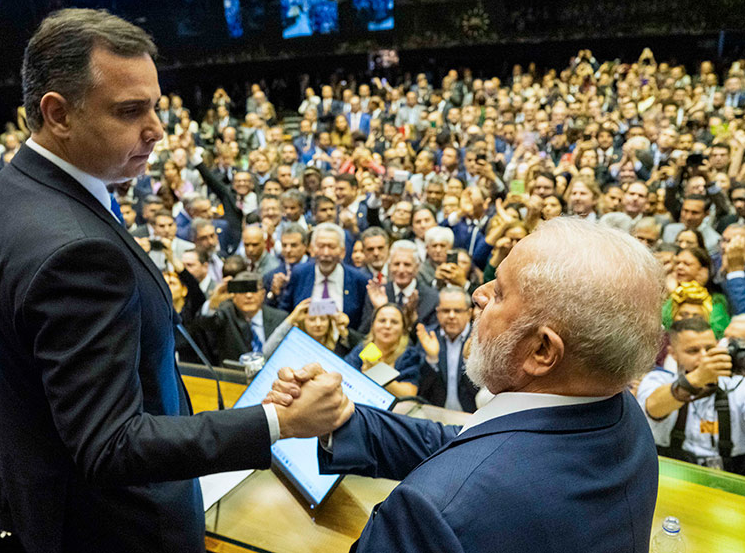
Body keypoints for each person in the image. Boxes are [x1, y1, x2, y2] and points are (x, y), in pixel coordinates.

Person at [0, 9, 352, 553]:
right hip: (117, 531)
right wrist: (277, 422)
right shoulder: (78, 250)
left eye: (156, 108)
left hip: (45, 509)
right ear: (58, 114)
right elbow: (111, 443)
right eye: (129, 111)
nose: (157, 130)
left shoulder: (1, 198)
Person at [267, 217, 664, 552]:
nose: (478, 293)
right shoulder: (620, 416)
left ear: (542, 350)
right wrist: (342, 420)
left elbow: (474, 471)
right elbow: (470, 444)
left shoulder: (430, 513)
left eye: (500, 292)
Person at [637, 317, 745, 474]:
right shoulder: (658, 380)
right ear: (673, 353)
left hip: (730, 479)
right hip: (675, 479)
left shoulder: (737, 386)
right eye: (693, 351)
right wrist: (698, 378)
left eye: (709, 348)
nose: (703, 357)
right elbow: (653, 407)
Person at [278, 222, 369, 330]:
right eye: (321, 246)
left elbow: (363, 326)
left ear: (343, 251)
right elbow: (284, 312)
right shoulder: (300, 273)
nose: (326, 253)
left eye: (331, 247)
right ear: (311, 249)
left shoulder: (359, 280)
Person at [410, 286, 479, 411]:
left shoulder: (479, 339)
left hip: (471, 416)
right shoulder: (428, 337)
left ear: (469, 313)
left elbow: (483, 391)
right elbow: (421, 388)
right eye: (446, 311)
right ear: (437, 312)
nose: (451, 316)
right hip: (436, 415)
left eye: (457, 311)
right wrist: (432, 359)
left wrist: (467, 362)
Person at [361, 239, 439, 333]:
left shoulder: (431, 298)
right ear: (389, 266)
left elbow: (431, 339)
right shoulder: (378, 294)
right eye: (396, 264)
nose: (401, 270)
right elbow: (364, 334)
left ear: (417, 267)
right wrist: (380, 309)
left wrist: (413, 322)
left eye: (407, 265)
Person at [344, 303, 419, 397]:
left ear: (403, 328)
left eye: (394, 322)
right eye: (382, 321)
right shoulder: (363, 348)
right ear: (373, 325)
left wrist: (377, 372)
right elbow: (344, 374)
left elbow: (409, 393)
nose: (387, 326)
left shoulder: (409, 355)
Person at [264, 298, 363, 358]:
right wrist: (290, 320)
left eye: (323, 319)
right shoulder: (293, 343)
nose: (318, 324)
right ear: (303, 321)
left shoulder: (338, 347)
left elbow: (362, 347)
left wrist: (343, 330)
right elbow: (266, 352)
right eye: (312, 319)